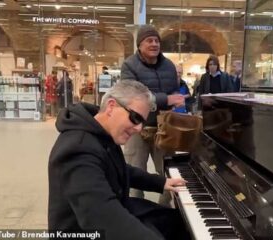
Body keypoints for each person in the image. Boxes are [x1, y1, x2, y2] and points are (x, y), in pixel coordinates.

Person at [48, 81, 190, 240]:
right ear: (111, 106)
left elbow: (120, 168)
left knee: (181, 224)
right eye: (135, 118)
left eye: (142, 121)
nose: (139, 128)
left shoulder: (98, 130)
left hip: (113, 208)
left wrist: (161, 182)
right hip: (84, 229)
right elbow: (102, 216)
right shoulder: (77, 149)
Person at [120, 24, 185, 200]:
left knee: (167, 172)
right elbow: (132, 96)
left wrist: (175, 99)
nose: (154, 44)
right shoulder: (129, 66)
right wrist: (165, 100)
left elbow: (174, 92)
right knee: (134, 173)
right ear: (139, 45)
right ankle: (136, 213)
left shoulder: (169, 66)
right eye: (149, 40)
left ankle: (164, 210)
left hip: (164, 129)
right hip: (136, 128)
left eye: (157, 40)